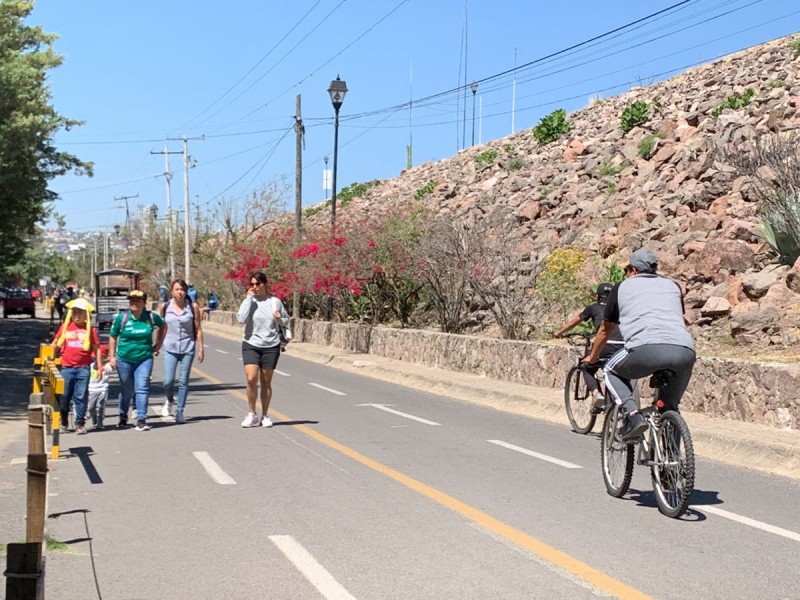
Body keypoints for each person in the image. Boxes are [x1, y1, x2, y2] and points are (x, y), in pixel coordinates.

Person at [583, 248, 696, 442]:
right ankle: (672, 465)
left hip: (645, 349)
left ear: (633, 270)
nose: (626, 274)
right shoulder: (673, 286)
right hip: (685, 350)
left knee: (610, 369)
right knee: (669, 407)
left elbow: (605, 329)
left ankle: (633, 417)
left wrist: (592, 357)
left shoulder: (621, 287)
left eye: (627, 270)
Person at [555, 282, 624, 412]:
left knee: (585, 366)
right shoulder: (620, 308)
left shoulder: (593, 308)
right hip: (623, 347)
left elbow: (574, 322)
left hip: (606, 345)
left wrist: (559, 333)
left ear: (598, 296)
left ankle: (597, 394)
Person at [108, 290, 167, 431]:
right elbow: (113, 336)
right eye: (131, 300)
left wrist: (158, 344)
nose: (134, 303)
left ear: (144, 303)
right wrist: (111, 357)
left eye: (137, 301)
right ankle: (123, 415)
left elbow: (164, 326)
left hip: (144, 358)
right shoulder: (122, 318)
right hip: (124, 360)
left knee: (142, 388)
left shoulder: (151, 317)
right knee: (127, 390)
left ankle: (142, 419)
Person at [236, 271, 289, 428]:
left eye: (257, 284)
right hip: (251, 344)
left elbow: (286, 320)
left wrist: (280, 317)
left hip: (270, 346)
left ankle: (265, 415)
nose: (254, 287)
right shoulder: (249, 301)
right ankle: (252, 414)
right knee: (251, 378)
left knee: (266, 381)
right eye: (251, 284)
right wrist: (248, 298)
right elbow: (241, 319)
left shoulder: (275, 302)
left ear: (264, 284)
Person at [52, 298, 102, 435]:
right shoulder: (65, 327)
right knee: (64, 396)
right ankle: (64, 420)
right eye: (74, 313)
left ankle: (80, 423)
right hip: (67, 368)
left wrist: (99, 365)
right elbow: (56, 343)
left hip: (83, 368)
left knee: (80, 396)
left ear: (86, 315)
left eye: (80, 313)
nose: (77, 316)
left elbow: (97, 348)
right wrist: (49, 354)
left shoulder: (90, 330)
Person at [159, 279, 204, 423]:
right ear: (172, 292)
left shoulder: (192, 307)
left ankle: (180, 411)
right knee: (168, 381)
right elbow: (161, 328)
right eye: (177, 289)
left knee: (184, 381)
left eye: (182, 289)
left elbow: (198, 329)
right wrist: (157, 345)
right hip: (170, 347)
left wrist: (200, 348)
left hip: (187, 346)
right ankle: (169, 399)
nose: (180, 292)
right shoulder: (165, 307)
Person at [88, 344, 113, 430]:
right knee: (91, 407)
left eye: (99, 356)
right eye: (94, 357)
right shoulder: (90, 366)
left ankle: (100, 421)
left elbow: (114, 364)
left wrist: (111, 357)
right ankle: (94, 418)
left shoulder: (107, 366)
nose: (96, 359)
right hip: (91, 389)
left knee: (100, 406)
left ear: (104, 357)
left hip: (102, 388)